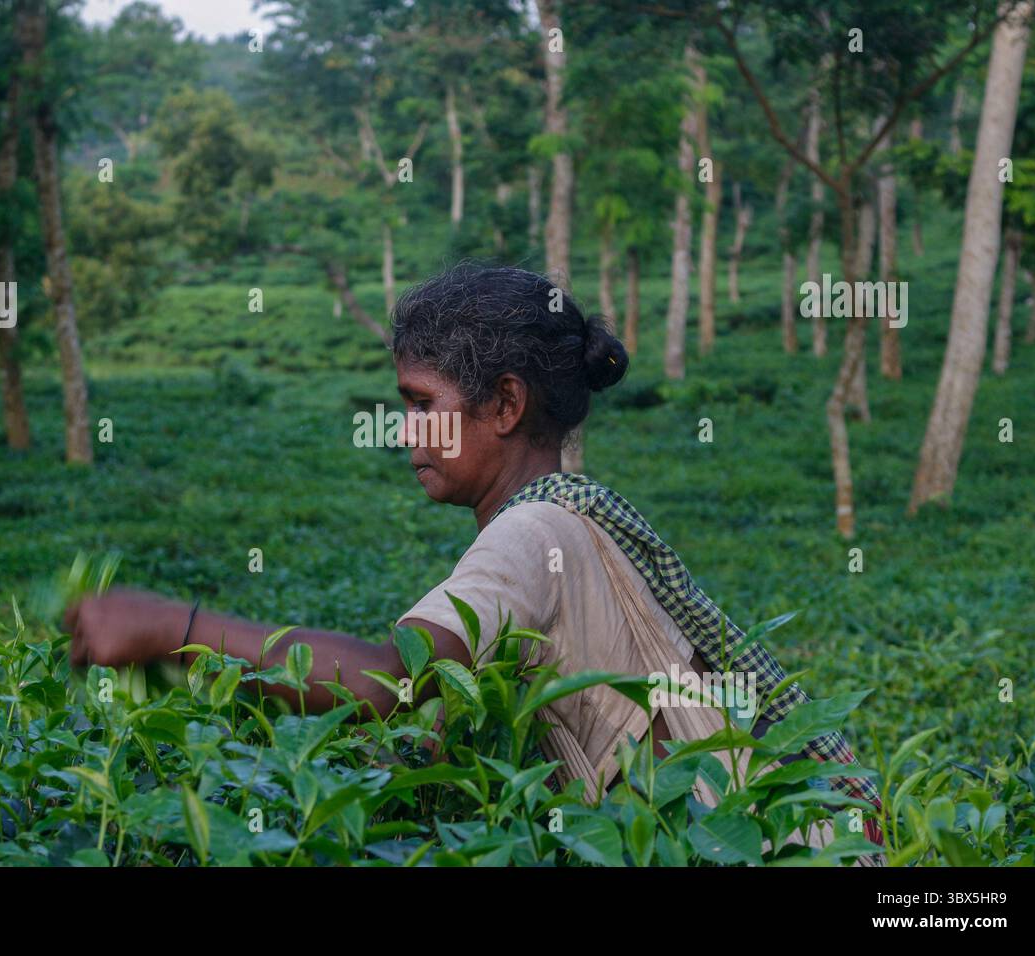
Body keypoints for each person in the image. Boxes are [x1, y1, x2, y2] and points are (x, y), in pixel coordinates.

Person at [63, 264, 883, 863]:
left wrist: (180, 630)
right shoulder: (571, 516)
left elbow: (397, 680)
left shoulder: (533, 538)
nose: (405, 431)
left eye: (422, 404)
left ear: (504, 404)